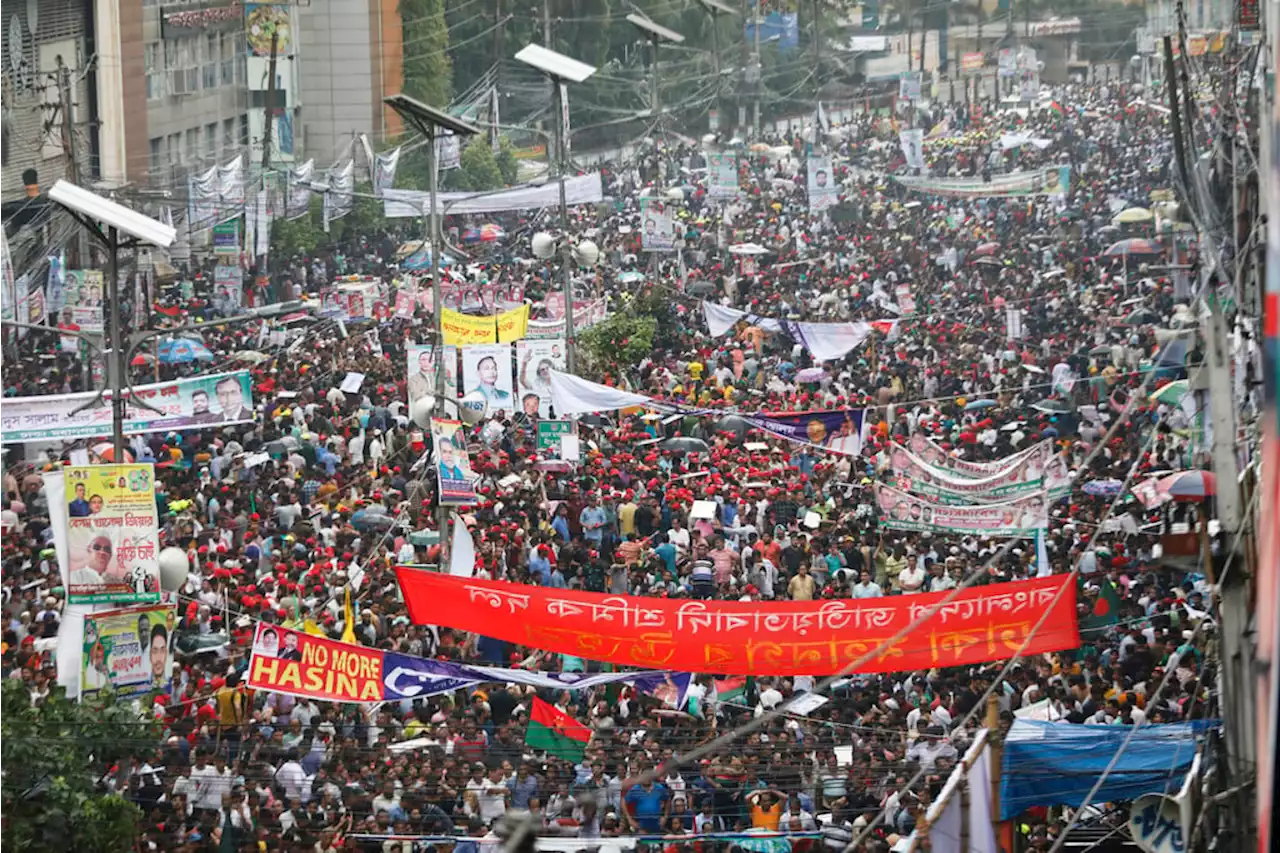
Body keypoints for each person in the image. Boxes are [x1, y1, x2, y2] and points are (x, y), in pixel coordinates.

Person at [148, 622, 170, 687]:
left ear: (166, 654)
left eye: (162, 651)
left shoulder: (170, 683)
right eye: (155, 651)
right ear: (150, 655)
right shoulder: (143, 684)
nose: (158, 658)